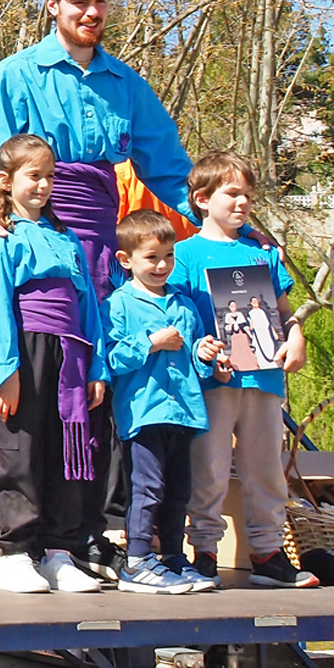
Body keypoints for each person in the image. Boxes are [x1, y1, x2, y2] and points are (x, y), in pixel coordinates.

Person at [0, 0, 200, 582]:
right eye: (77, 2)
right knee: (32, 399)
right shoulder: (19, 73)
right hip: (41, 246)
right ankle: (22, 545)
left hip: (104, 254)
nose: (90, 14)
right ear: (53, 5)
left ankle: (76, 540)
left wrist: (224, 233)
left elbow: (172, 171)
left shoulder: (125, 83)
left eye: (100, 3)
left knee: (91, 397)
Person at [172, 152, 315, 588]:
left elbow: (286, 311)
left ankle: (269, 552)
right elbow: (177, 314)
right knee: (210, 466)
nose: (242, 203)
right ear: (201, 198)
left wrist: (296, 337)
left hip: (264, 376)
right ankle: (205, 550)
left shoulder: (263, 255)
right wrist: (201, 346)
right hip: (215, 379)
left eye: (247, 196)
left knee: (266, 466)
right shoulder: (184, 254)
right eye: (232, 194)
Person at [0, 134, 110, 594]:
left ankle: (60, 551)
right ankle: (16, 553)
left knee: (68, 451)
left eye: (50, 177)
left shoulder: (67, 236)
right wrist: (9, 372)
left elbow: (89, 305)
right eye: (34, 175)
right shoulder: (5, 236)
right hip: (28, 347)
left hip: (71, 353)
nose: (44, 185)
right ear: (5, 181)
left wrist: (96, 369)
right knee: (23, 449)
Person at [101, 209, 226, 595]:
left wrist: (206, 355)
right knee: (148, 486)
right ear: (126, 260)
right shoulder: (118, 304)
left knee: (178, 490)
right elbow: (112, 360)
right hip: (144, 411)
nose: (161, 265)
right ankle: (138, 558)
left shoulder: (185, 305)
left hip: (184, 411)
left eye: (168, 256)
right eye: (152, 257)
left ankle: (173, 557)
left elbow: (196, 362)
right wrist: (150, 343)